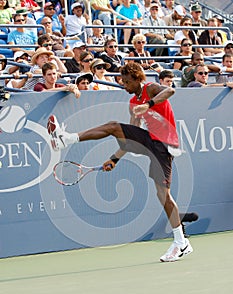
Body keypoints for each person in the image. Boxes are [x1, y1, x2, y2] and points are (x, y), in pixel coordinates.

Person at [47, 62, 193, 262]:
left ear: (136, 79)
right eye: (122, 82)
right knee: (113, 126)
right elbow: (130, 139)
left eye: (126, 82)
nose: (124, 86)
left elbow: (170, 90)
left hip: (165, 145)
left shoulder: (150, 88)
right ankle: (66, 139)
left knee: (163, 195)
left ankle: (181, 242)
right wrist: (114, 158)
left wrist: (148, 105)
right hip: (149, 141)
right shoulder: (133, 102)